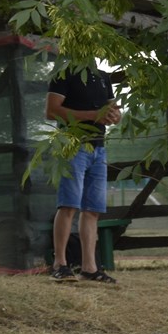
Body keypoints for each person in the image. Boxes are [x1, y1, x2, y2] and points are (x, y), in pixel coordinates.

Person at [46, 63, 123, 283]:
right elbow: (51, 111)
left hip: (98, 148)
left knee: (93, 209)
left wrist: (114, 116)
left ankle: (89, 267)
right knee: (69, 204)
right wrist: (93, 116)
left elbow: (113, 110)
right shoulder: (64, 73)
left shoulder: (103, 76)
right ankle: (59, 264)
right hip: (72, 145)